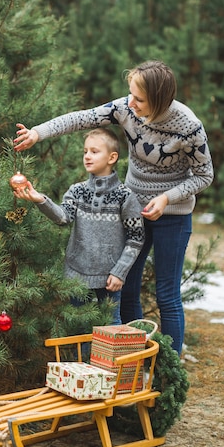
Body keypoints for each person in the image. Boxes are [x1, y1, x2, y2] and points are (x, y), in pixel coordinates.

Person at [14, 60, 214, 354]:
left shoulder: (189, 127)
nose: (131, 103)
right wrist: (38, 133)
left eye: (140, 99)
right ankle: (131, 360)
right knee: (128, 287)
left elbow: (204, 175)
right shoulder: (126, 108)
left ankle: (169, 368)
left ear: (160, 101)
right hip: (132, 210)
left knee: (166, 295)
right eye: (130, 94)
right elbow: (81, 119)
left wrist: (167, 198)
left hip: (173, 215)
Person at [13, 128, 145, 326]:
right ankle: (80, 359)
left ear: (112, 157)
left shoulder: (125, 196)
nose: (87, 156)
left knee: (111, 324)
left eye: (94, 151)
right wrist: (40, 200)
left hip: (110, 275)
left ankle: (110, 359)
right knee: (77, 326)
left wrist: (120, 271)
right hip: (77, 272)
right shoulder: (77, 191)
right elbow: (63, 217)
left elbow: (136, 239)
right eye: (85, 152)